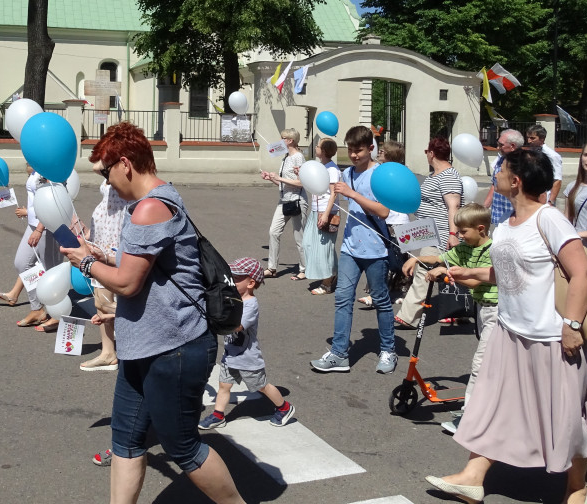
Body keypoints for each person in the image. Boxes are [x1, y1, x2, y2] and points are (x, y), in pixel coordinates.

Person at [61, 122, 247, 504]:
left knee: (182, 447)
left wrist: (84, 264)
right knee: (127, 441)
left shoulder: (150, 208)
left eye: (107, 173)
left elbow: (129, 284)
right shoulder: (156, 200)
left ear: (125, 164)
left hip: (173, 347)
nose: (108, 184)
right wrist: (103, 256)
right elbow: (148, 268)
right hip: (143, 345)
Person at [424, 148, 587, 504]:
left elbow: (582, 272)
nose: (496, 172)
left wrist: (572, 325)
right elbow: (501, 273)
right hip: (509, 332)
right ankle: (473, 477)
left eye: (501, 169)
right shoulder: (505, 226)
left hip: (551, 337)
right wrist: (461, 271)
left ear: (515, 181)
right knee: (492, 405)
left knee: (566, 417)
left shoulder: (549, 220)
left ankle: (576, 486)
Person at [310, 125, 397, 375]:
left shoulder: (380, 175)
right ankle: (339, 354)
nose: (354, 155)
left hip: (376, 250)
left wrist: (352, 194)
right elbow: (336, 197)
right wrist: (327, 214)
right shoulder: (346, 174)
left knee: (381, 301)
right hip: (350, 247)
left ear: (371, 148)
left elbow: (383, 211)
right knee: (342, 299)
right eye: (350, 150)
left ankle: (388, 349)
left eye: (358, 150)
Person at [416, 204, 498, 435]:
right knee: (491, 365)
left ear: (480, 229)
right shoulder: (464, 248)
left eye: (463, 231)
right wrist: (417, 261)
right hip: (481, 309)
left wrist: (446, 273)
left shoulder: (492, 250)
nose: (459, 236)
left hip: (497, 311)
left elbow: (474, 282)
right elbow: (441, 257)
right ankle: (492, 411)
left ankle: (469, 419)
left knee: (480, 365)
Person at [198, 257, 295, 429]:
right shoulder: (234, 299)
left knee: (261, 386)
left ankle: (284, 408)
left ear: (251, 283)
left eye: (236, 279)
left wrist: (217, 318)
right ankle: (218, 415)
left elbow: (238, 326)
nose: (231, 281)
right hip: (230, 355)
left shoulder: (251, 305)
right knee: (224, 386)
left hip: (248, 358)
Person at [395, 137, 463, 329]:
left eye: (427, 151)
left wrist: (452, 233)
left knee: (424, 269)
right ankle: (456, 310)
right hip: (427, 231)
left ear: (432, 153)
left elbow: (454, 206)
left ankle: (408, 316)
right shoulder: (435, 174)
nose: (426, 154)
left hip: (441, 231)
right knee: (436, 270)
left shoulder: (448, 175)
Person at [79, 160, 129, 372]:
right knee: (101, 297)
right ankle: (108, 352)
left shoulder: (123, 171)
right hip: (103, 236)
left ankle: (133, 336)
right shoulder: (113, 173)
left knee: (116, 297)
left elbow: (97, 166)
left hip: (116, 240)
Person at [9, 166, 61, 330]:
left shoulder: (50, 167)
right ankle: (37, 309)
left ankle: (57, 314)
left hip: (47, 226)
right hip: (32, 225)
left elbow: (53, 200)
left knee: (51, 271)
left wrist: (40, 228)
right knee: (21, 263)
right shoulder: (37, 166)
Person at [359, 141, 409, 308]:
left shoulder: (394, 173)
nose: (379, 151)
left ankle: (395, 292)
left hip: (395, 220)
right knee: (386, 256)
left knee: (395, 257)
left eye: (383, 150)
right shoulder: (382, 171)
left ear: (391, 154)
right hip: (387, 219)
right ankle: (381, 292)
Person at [261, 128, 306, 278]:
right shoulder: (285, 157)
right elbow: (283, 184)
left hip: (297, 200)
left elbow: (301, 183)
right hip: (284, 200)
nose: (280, 141)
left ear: (290, 141)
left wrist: (279, 179)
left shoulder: (298, 157)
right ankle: (272, 268)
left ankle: (304, 269)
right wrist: (272, 178)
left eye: (283, 138)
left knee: (299, 236)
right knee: (273, 231)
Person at [303, 138, 340, 295]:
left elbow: (333, 193)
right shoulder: (321, 167)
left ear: (324, 151)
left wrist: (325, 215)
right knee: (308, 244)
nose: (315, 148)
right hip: (315, 211)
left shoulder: (331, 169)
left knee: (324, 248)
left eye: (317, 146)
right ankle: (333, 273)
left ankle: (327, 283)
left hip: (327, 212)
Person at [483, 129, 523, 227]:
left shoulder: (523, 163)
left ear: (512, 146)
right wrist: (485, 207)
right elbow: (494, 184)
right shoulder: (501, 160)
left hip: (514, 217)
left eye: (501, 145)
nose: (498, 147)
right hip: (498, 215)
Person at [526, 123, 563, 205]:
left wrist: (550, 201)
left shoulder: (552, 155)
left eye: (532, 138)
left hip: (544, 199)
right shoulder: (528, 153)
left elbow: (557, 180)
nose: (529, 141)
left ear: (542, 139)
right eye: (528, 138)